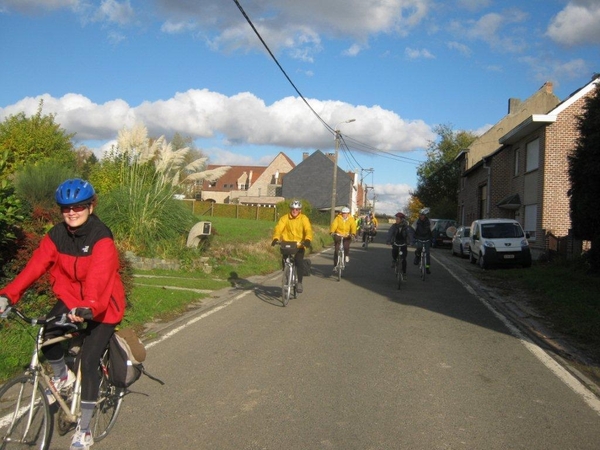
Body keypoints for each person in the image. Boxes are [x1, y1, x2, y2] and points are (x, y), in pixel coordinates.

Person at [0, 178, 126, 450]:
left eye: (78, 206)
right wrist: (8, 295)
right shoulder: (57, 235)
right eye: (65, 208)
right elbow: (35, 266)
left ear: (91, 206)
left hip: (103, 303)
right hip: (72, 298)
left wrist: (90, 305)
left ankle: (84, 431)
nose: (72, 212)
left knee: (89, 361)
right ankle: (62, 377)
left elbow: (100, 276)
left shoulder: (101, 236)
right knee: (46, 335)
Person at [271, 200, 313, 294]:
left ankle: (299, 283)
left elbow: (308, 229)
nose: (294, 211)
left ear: (300, 210)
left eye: (297, 209)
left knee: (299, 261)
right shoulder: (284, 218)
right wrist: (276, 238)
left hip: (299, 244)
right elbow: (278, 228)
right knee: (285, 260)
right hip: (287, 244)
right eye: (293, 209)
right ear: (290, 209)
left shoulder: (304, 218)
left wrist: (307, 239)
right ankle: (287, 274)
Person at [386, 212, 410, 278]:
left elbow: (409, 234)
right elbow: (390, 233)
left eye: (398, 219)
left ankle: (404, 273)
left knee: (404, 259)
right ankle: (394, 260)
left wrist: (410, 242)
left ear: (402, 219)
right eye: (396, 219)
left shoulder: (406, 227)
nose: (396, 220)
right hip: (396, 242)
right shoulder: (394, 226)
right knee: (394, 251)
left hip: (403, 243)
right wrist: (388, 241)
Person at [413, 207, 433, 274]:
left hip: (427, 239)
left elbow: (433, 230)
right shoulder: (417, 221)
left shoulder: (430, 221)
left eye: (422, 215)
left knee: (427, 254)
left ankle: (427, 268)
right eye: (420, 215)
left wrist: (433, 238)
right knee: (419, 249)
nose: (421, 216)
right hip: (419, 238)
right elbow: (412, 230)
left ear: (425, 215)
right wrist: (413, 238)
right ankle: (417, 258)